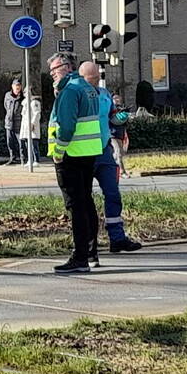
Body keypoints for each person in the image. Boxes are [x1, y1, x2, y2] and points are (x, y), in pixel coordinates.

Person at [78, 62, 142, 266]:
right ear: (82, 78)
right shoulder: (77, 94)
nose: (96, 81)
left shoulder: (105, 94)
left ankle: (117, 238)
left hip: (104, 151)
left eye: (97, 78)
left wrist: (119, 117)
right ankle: (88, 247)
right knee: (84, 202)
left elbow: (112, 117)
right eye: (92, 79)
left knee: (113, 193)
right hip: (83, 153)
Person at [46, 53, 103, 274]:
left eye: (55, 69)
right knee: (86, 202)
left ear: (68, 67)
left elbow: (67, 126)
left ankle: (79, 258)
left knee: (75, 206)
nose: (52, 74)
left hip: (70, 154)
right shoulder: (88, 89)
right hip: (87, 153)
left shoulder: (69, 91)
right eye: (51, 71)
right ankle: (90, 253)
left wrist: (58, 152)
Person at [18, 86, 42, 166]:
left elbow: (37, 114)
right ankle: (30, 159)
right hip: (26, 126)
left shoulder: (34, 102)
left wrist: (32, 123)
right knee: (27, 144)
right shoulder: (25, 102)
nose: (25, 93)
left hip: (32, 126)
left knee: (34, 144)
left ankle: (36, 160)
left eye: (26, 92)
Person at [3, 79, 24, 165]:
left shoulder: (23, 96)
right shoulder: (8, 95)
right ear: (12, 86)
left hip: (19, 123)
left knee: (21, 142)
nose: (17, 88)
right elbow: (5, 106)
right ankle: (13, 158)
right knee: (10, 142)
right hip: (9, 122)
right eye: (16, 86)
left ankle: (23, 159)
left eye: (19, 86)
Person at [111, 93, 131, 178]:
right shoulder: (110, 108)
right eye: (115, 98)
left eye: (118, 98)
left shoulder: (121, 108)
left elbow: (124, 123)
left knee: (119, 153)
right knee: (118, 152)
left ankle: (113, 170)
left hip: (120, 134)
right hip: (112, 134)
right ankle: (122, 172)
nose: (117, 99)